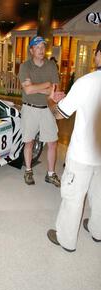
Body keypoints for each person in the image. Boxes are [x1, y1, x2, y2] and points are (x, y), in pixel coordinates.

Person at [47, 40, 101, 252]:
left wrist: (52, 101)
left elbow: (60, 114)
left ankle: (66, 239)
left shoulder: (86, 82)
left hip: (83, 155)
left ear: (98, 55)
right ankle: (97, 230)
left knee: (73, 198)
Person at [18, 36, 62, 187]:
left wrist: (43, 88)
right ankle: (28, 170)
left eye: (43, 47)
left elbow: (54, 91)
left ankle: (50, 174)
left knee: (52, 142)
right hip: (29, 108)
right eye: (37, 47)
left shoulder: (51, 66)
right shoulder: (25, 67)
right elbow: (28, 90)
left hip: (47, 110)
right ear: (31, 50)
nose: (41, 50)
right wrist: (47, 85)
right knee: (29, 142)